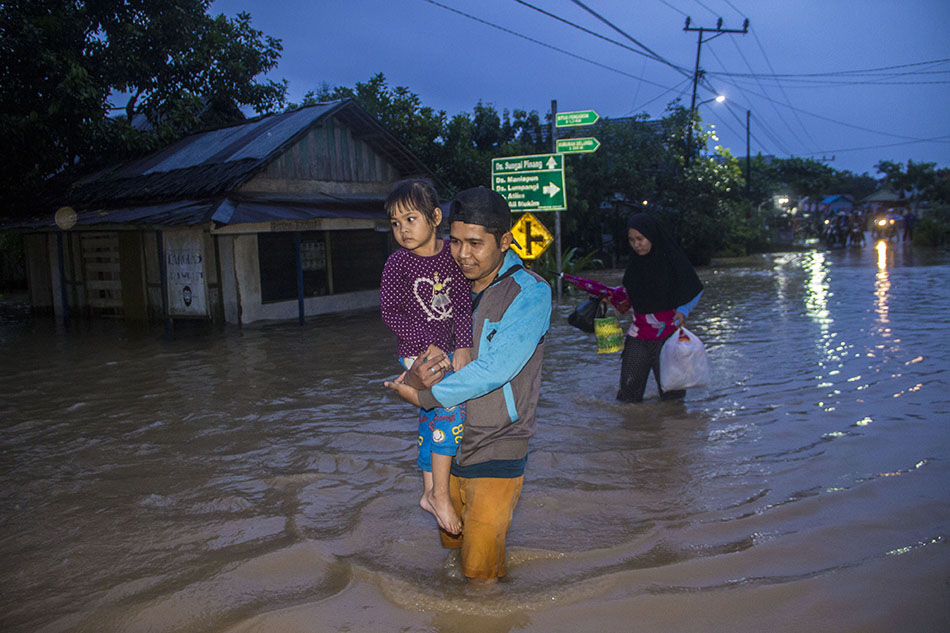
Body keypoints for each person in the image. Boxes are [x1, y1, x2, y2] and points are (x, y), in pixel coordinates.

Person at [384, 186, 551, 583]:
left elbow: (495, 369)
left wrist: (426, 394)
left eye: (475, 244)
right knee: (453, 563)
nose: (462, 254)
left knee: (480, 578)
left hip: (497, 446)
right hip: (445, 446)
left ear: (505, 241)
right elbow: (413, 352)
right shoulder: (442, 280)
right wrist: (413, 379)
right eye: (456, 242)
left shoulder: (529, 293)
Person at [380, 179, 474, 535]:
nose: (402, 230)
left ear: (435, 217)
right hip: (416, 354)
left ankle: (428, 492)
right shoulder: (397, 264)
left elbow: (463, 305)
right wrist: (425, 344)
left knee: (430, 419)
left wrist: (463, 345)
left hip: (452, 351)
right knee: (448, 406)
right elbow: (390, 313)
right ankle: (439, 494)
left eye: (410, 219)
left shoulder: (453, 254)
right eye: (394, 223)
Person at [617, 213, 704, 403]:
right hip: (638, 335)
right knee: (628, 397)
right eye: (631, 240)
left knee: (672, 399)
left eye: (640, 239)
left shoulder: (673, 261)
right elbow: (630, 297)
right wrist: (613, 298)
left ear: (652, 236)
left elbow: (695, 288)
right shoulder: (634, 266)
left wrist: (683, 310)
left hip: (668, 336)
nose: (636, 244)